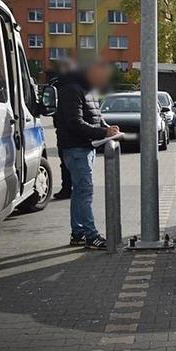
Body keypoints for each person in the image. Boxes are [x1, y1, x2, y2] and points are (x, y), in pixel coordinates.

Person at [55, 59, 119, 250]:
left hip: (86, 147)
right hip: (76, 149)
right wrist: (102, 133)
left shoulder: (87, 90)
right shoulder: (71, 90)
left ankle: (78, 233)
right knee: (85, 192)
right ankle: (91, 236)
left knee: (79, 192)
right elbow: (75, 122)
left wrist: (107, 128)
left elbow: (95, 116)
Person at [51, 58, 77, 200]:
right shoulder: (81, 84)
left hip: (64, 130)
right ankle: (71, 188)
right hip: (73, 131)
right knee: (71, 163)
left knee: (66, 162)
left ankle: (67, 188)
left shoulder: (57, 84)